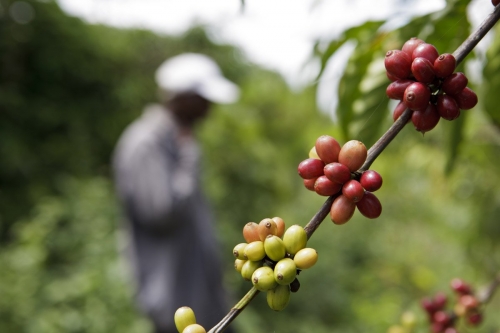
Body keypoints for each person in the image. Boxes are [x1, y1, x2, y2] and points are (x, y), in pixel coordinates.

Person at [112, 53, 240, 333]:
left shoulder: (176, 141)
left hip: (201, 296)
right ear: (183, 99)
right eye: (204, 100)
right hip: (174, 299)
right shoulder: (146, 144)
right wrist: (188, 160)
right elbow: (162, 212)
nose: (210, 108)